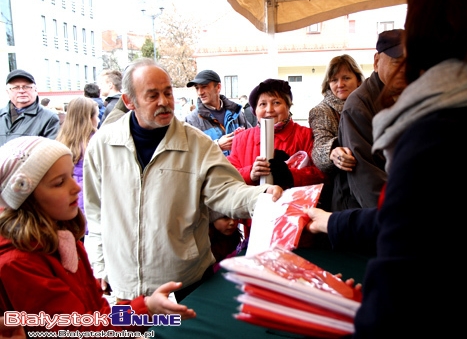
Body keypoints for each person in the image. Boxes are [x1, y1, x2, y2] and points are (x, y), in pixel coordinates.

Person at [304, 0, 467, 337]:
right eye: (336, 78)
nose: (401, 67)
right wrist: (333, 210)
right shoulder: (360, 107)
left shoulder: (441, 125)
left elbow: (398, 295)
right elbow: (404, 210)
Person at [83, 58, 283, 303]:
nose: (164, 102)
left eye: (167, 93)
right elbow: (95, 213)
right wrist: (99, 266)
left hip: (184, 284)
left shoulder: (196, 144)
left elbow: (227, 190)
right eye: (152, 95)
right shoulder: (102, 144)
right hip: (123, 287)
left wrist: (260, 197)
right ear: (128, 101)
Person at [0, 136, 196, 333]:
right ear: (26, 197)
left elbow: (96, 313)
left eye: (70, 176)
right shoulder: (19, 264)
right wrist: (145, 309)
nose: (76, 187)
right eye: (60, 182)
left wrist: (148, 309)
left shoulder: (63, 239)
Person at [227, 79, 326, 238]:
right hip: (257, 220)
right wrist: (251, 174)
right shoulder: (241, 139)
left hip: (296, 222)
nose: (269, 109)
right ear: (254, 111)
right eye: (262, 104)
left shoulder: (306, 135)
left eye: (276, 102)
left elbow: (322, 174)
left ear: (288, 106)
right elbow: (228, 177)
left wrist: (290, 175)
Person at [332, 29, 407, 210]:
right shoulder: (358, 105)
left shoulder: (412, 94)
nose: (404, 70)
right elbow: (366, 179)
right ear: (376, 62)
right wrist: (395, 219)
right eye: (397, 62)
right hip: (365, 213)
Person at [308, 55, 364, 211]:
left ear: (358, 80)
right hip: (344, 189)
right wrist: (333, 152)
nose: (340, 84)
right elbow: (319, 148)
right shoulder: (321, 111)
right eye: (334, 80)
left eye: (346, 78)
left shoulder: (370, 104)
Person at [56, 97, 99, 228]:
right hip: (90, 194)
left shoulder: (60, 140)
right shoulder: (96, 142)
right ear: (90, 118)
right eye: (96, 116)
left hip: (66, 197)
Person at [185, 70, 251, 156]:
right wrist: (217, 146)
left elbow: (253, 140)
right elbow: (188, 156)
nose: (200, 92)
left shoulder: (237, 113)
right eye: (197, 88)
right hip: (212, 170)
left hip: (240, 169)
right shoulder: (191, 121)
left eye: (204, 87)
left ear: (218, 87)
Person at [0, 70, 60, 147]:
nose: (21, 91)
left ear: (36, 90)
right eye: (16, 87)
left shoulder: (49, 118)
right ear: (8, 92)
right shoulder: (1, 115)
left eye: (27, 87)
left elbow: (51, 153)